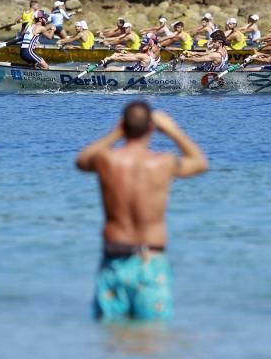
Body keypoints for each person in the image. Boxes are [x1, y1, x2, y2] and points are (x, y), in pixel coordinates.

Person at [76, 101, 208, 322]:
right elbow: (200, 163)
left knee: (112, 344)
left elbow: (81, 161)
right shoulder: (163, 162)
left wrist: (116, 132)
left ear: (123, 125)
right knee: (154, 345)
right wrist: (172, 130)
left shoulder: (106, 160)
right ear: (151, 128)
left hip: (115, 259)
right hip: (151, 260)